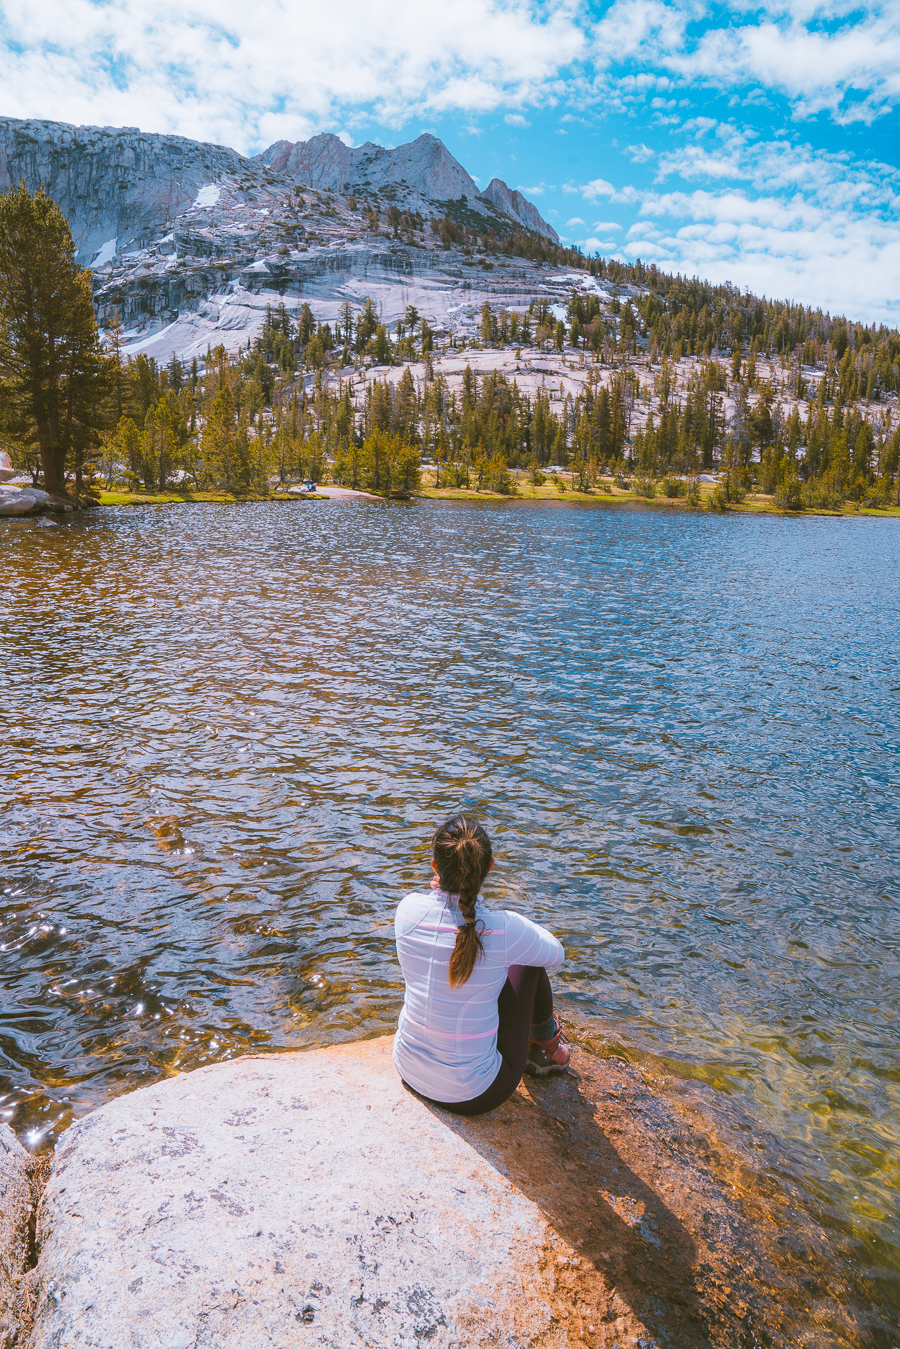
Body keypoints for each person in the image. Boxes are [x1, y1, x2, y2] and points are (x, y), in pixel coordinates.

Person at [392, 815, 569, 1116]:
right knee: (529, 964)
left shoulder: (407, 910)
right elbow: (555, 953)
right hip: (472, 1095)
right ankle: (547, 1050)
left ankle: (544, 1048)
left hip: (407, 1068)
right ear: (489, 867)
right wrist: (491, 909)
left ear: (434, 866)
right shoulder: (502, 929)